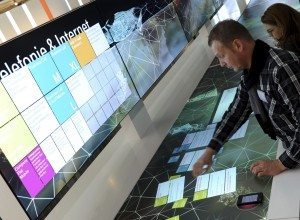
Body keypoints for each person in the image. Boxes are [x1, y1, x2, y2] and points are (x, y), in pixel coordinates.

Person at [192, 19, 300, 177]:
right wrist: (210, 150)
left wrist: (281, 163)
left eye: (221, 56)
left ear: (237, 45)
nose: (221, 63)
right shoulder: (250, 75)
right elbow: (236, 113)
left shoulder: (281, 68)